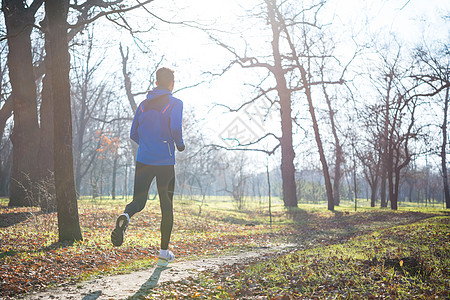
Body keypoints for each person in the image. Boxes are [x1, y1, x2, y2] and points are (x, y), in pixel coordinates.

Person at [111, 67, 185, 268]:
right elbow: (176, 128)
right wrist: (179, 144)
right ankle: (163, 253)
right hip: (165, 162)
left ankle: (126, 216)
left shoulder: (143, 105)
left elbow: (133, 133)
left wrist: (146, 144)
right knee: (166, 206)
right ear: (171, 84)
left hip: (143, 160)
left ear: (156, 83)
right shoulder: (175, 103)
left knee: (139, 201)